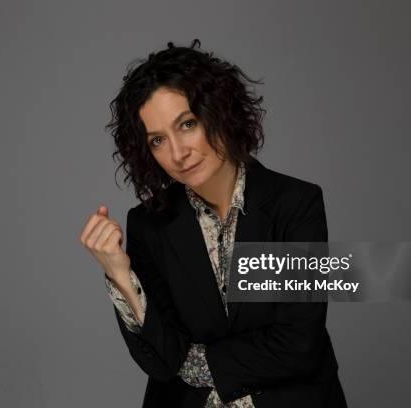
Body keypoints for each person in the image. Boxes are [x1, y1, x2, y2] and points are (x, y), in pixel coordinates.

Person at [80, 39, 347, 408]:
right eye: (158, 140)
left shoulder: (294, 205)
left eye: (187, 124)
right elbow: (159, 363)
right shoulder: (148, 225)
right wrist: (121, 277)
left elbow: (298, 345)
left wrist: (189, 361)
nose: (177, 153)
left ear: (219, 110)